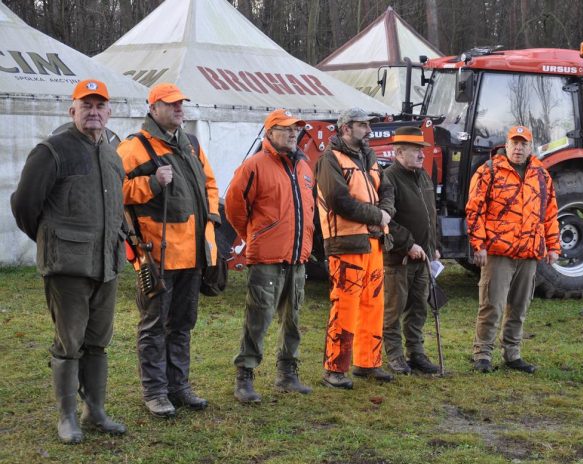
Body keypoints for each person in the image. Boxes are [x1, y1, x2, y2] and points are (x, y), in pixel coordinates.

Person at [10, 79, 127, 443]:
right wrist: (54, 241)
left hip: (106, 263)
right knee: (69, 342)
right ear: (71, 110)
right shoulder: (52, 150)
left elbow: (116, 205)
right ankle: (67, 417)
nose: (94, 112)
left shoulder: (112, 150)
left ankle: (96, 411)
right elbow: (24, 205)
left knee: (98, 341)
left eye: (100, 106)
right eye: (86, 105)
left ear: (109, 112)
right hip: (68, 268)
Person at [118, 83, 220, 417]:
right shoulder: (133, 147)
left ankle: (179, 387)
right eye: (172, 104)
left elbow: (209, 183)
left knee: (182, 324)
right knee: (153, 326)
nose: (180, 109)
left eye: (181, 103)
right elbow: (112, 190)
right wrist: (150, 183)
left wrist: (213, 218)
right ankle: (155, 392)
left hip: (191, 253)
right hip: (156, 255)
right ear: (154, 107)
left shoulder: (190, 144)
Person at [225, 109, 315, 402]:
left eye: (296, 129)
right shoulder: (254, 166)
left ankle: (287, 374)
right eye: (286, 129)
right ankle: (245, 377)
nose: (293, 133)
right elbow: (235, 208)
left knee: (294, 318)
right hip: (267, 258)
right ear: (270, 132)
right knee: (258, 318)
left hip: (298, 257)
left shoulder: (304, 166)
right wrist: (256, 235)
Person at [465, 126, 560, 373]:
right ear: (506, 145)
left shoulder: (541, 174)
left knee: (519, 306)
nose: (518, 148)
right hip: (498, 252)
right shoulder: (489, 171)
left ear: (531, 147)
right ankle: (482, 354)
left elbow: (549, 213)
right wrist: (479, 245)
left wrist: (553, 246)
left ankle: (512, 353)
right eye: (514, 143)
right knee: (492, 305)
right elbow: (475, 209)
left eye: (523, 144)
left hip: (529, 251)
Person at [315, 107, 394, 389]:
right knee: (345, 306)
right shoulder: (329, 160)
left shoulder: (369, 157)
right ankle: (334, 370)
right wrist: (377, 216)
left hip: (372, 242)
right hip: (346, 244)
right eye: (363, 125)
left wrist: (385, 212)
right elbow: (339, 200)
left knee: (373, 304)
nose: (369, 131)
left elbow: (387, 189)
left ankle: (368, 363)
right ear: (345, 128)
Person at [382, 126, 441, 375]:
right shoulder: (388, 178)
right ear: (398, 151)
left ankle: (416, 353)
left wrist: (433, 246)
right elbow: (386, 220)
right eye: (415, 150)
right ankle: (395, 355)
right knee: (394, 308)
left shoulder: (423, 176)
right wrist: (408, 245)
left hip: (425, 257)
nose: (421, 154)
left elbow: (431, 214)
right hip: (399, 259)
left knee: (420, 307)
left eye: (421, 149)